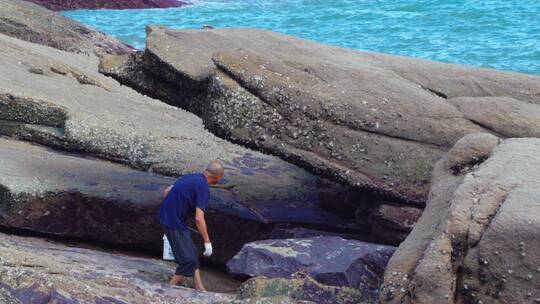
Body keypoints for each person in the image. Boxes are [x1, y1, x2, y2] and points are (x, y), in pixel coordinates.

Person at [158, 160, 224, 291]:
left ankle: (199, 287)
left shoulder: (191, 176)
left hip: (167, 217)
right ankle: (168, 289)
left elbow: (167, 191)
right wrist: (207, 242)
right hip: (174, 223)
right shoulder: (203, 188)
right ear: (218, 177)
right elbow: (199, 219)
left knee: (192, 252)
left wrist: (173, 209)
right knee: (189, 261)